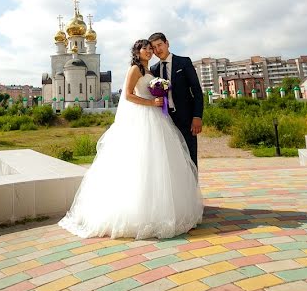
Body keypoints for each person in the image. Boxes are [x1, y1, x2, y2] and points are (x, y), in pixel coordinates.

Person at [58, 39, 203, 240]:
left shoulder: (151, 71)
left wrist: (158, 100)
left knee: (159, 164)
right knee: (139, 163)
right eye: (146, 48)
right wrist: (151, 102)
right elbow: (127, 95)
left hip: (158, 118)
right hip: (142, 118)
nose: (149, 51)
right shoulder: (135, 69)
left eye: (151, 48)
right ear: (137, 51)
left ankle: (162, 208)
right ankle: (139, 214)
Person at [148, 32, 203, 167]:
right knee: (171, 161)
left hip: (186, 119)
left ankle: (192, 188)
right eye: (153, 48)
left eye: (159, 45)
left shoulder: (184, 62)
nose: (157, 50)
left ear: (167, 43)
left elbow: (196, 90)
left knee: (190, 158)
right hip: (165, 120)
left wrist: (197, 116)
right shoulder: (153, 69)